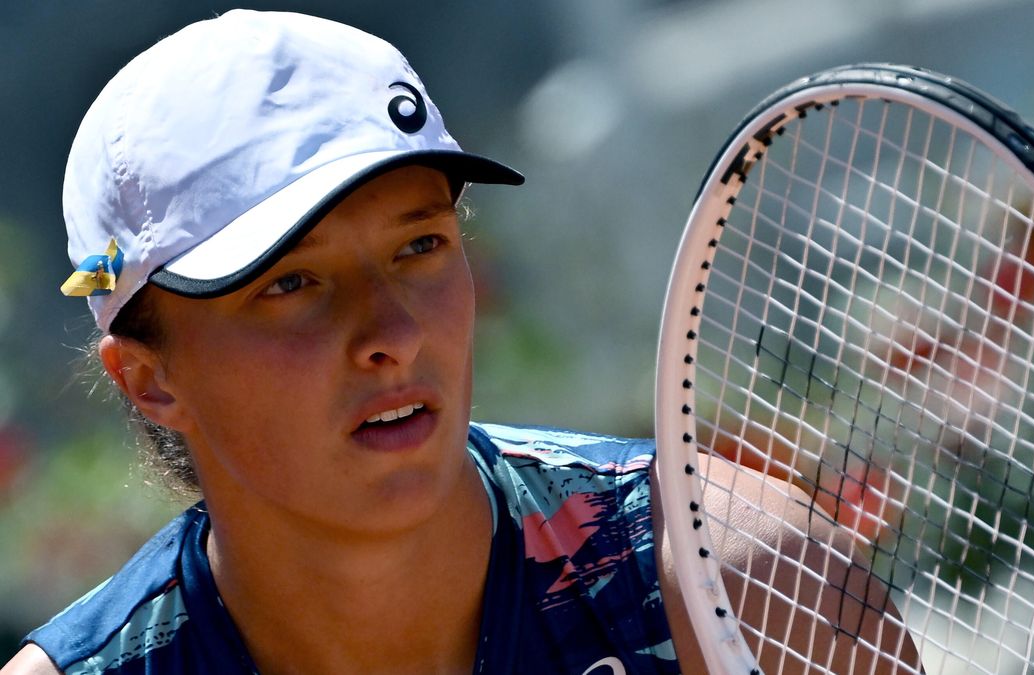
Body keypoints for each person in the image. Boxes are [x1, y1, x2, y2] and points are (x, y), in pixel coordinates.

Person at [2, 10, 914, 674]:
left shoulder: (742, 579)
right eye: (290, 283)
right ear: (149, 378)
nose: (393, 332)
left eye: (420, 245)